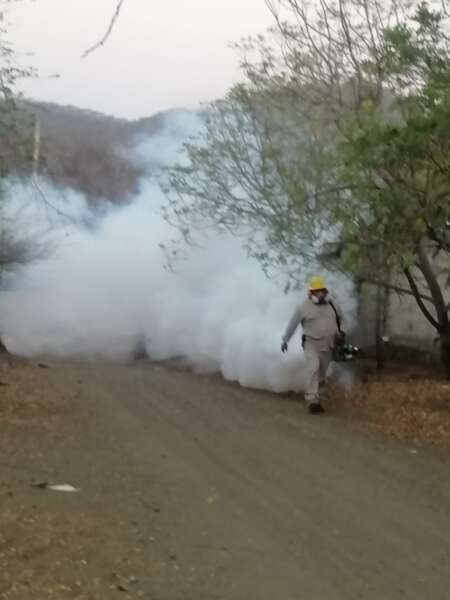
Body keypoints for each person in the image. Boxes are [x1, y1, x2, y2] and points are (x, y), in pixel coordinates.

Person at [281, 276, 344, 414]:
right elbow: (293, 324)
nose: (319, 294)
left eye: (322, 291)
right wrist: (286, 340)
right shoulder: (303, 308)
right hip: (311, 344)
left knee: (322, 373)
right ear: (311, 293)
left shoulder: (333, 305)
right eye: (316, 291)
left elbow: (340, 319)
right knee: (314, 367)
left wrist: (339, 333)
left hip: (328, 345)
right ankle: (312, 400)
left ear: (325, 291)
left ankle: (318, 398)